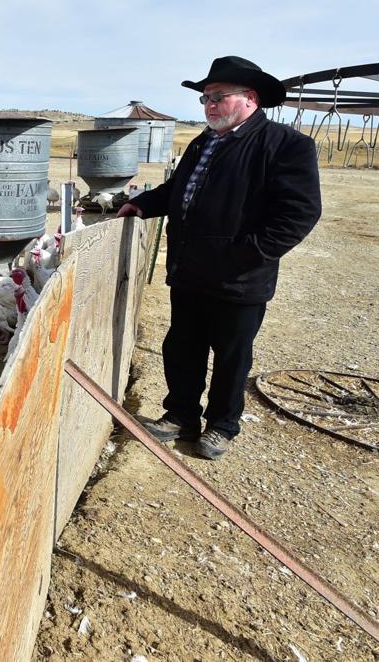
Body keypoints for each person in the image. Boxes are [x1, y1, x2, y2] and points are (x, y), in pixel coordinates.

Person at [118, 56, 322, 459]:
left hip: (240, 276)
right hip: (191, 270)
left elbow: (299, 213)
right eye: (206, 98)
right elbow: (180, 190)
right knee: (182, 348)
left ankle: (222, 426)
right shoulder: (204, 142)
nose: (209, 105)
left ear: (250, 98)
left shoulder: (286, 145)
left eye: (217, 97)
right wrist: (142, 204)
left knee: (231, 356)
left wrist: (246, 256)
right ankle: (180, 416)